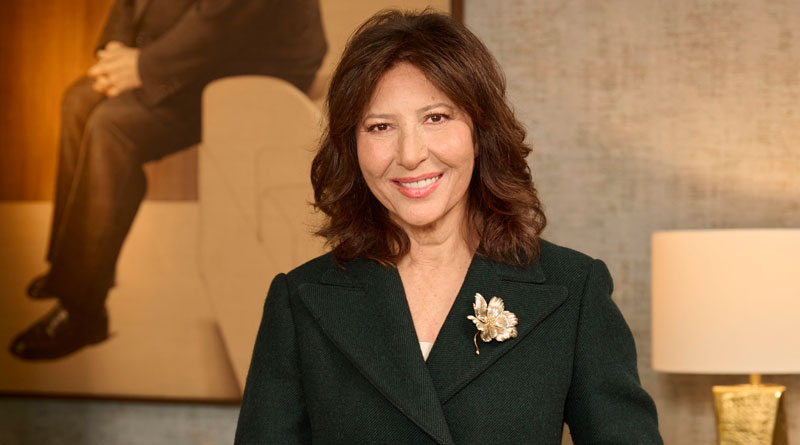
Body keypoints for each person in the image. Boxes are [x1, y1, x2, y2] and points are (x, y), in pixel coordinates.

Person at [234, 10, 662, 444]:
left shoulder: (573, 290)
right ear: (352, 148)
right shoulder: (300, 300)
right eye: (380, 127)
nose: (410, 154)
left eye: (436, 118)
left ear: (478, 131)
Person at [9, 0, 327, 360]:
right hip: (202, 54)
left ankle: (82, 313)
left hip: (254, 61)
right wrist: (115, 50)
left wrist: (144, 66)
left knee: (112, 127)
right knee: (79, 101)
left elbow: (219, 17)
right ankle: (71, 269)